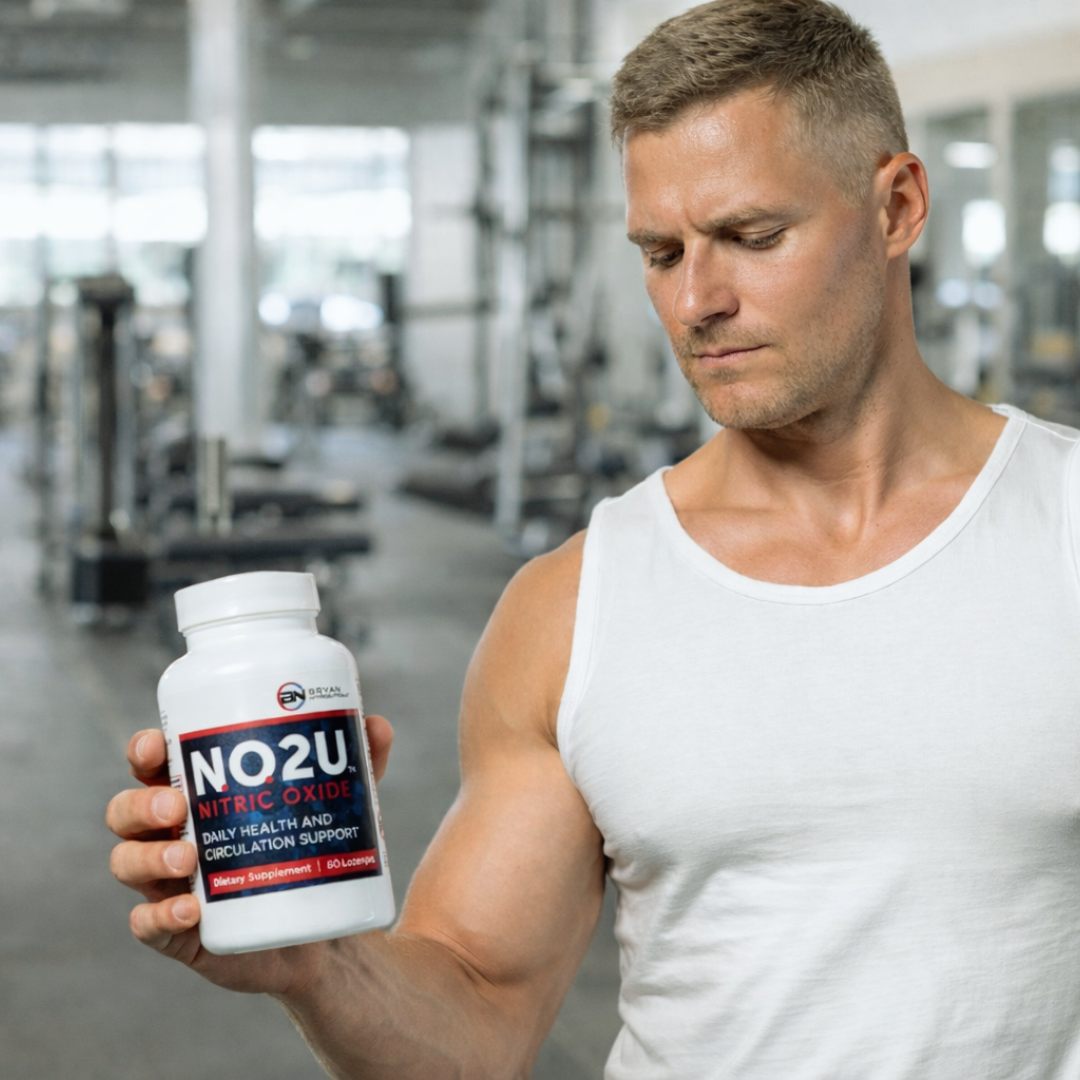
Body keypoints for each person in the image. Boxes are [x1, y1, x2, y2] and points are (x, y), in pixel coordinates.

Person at [107, 1, 1080, 1076]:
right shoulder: (573, 607)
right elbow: (475, 1018)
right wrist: (316, 971)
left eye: (753, 237)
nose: (699, 298)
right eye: (662, 252)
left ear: (897, 205)